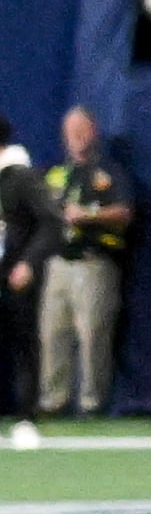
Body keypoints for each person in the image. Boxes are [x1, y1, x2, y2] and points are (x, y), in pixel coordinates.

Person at [37, 106, 130, 420]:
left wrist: (89, 215)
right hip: (59, 263)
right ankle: (54, 399)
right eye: (70, 131)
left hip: (94, 263)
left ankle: (92, 402)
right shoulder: (55, 172)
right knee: (53, 333)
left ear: (93, 131)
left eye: (82, 130)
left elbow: (125, 211)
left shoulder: (109, 171)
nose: (76, 137)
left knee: (93, 334)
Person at [0, 119, 45, 448]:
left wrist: (29, 262)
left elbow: (53, 223)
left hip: (14, 275)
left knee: (23, 344)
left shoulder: (22, 177)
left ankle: (26, 418)